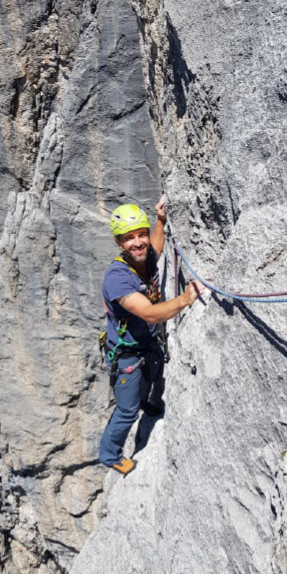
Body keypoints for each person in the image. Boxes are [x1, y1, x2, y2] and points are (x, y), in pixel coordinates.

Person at [99, 197, 206, 475]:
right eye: (129, 238)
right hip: (128, 355)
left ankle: (149, 403)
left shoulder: (145, 259)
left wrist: (159, 220)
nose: (138, 242)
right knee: (127, 411)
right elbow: (148, 313)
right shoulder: (117, 278)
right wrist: (185, 299)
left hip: (147, 345)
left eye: (141, 234)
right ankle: (109, 454)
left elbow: (156, 248)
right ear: (119, 243)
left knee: (153, 378)